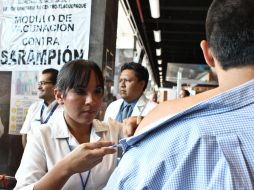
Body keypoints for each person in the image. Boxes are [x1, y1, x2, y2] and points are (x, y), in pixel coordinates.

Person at [104, 0, 254, 189]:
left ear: (207, 54)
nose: (122, 85)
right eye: (121, 80)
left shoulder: (160, 142)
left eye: (128, 80)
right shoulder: (157, 123)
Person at [14, 59, 134, 190]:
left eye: (97, 91)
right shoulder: (41, 136)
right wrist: (67, 168)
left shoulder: (112, 130)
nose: (91, 101)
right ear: (59, 95)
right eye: (80, 92)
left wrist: (138, 121)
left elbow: (145, 129)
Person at [20, 68, 61, 148]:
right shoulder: (34, 107)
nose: (39, 87)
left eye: (43, 83)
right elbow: (25, 135)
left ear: (56, 86)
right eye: (39, 83)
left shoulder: (65, 109)